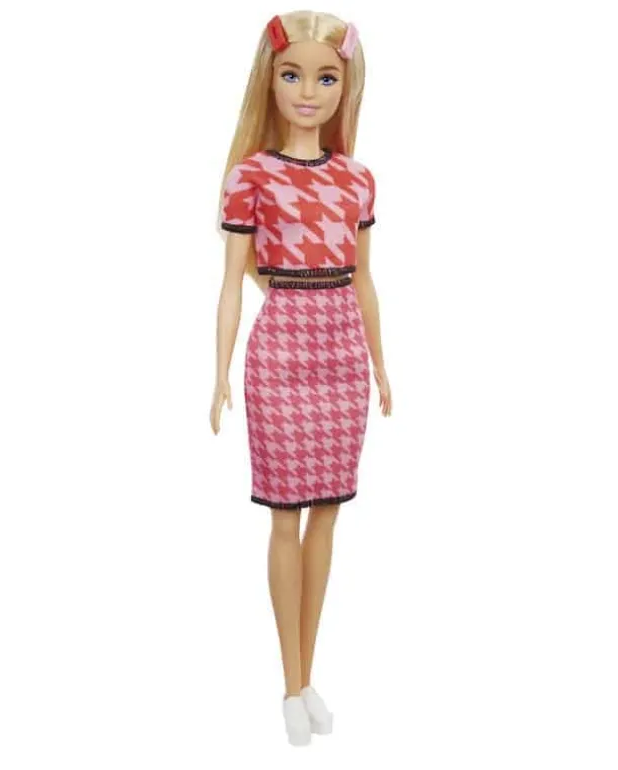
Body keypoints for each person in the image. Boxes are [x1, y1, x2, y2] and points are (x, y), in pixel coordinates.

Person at [209, 10, 392, 746]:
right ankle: (291, 686)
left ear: (346, 87)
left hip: (343, 350)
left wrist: (381, 363)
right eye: (293, 75)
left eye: (325, 78)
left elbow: (366, 278)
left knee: (329, 514)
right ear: (270, 80)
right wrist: (220, 371)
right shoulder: (251, 176)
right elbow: (231, 281)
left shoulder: (357, 179)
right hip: (282, 349)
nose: (308, 92)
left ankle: (307, 677)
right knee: (285, 515)